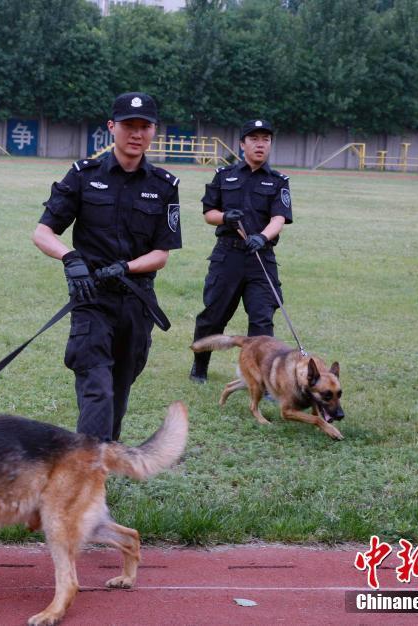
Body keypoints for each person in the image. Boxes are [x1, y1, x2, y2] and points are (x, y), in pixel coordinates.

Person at [33, 92, 181, 442]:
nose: (136, 133)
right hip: (92, 300)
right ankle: (88, 472)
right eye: (129, 125)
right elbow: (42, 233)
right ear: (112, 127)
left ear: (154, 131)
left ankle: (101, 457)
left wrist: (126, 268)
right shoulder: (84, 176)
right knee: (97, 386)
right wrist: (71, 259)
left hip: (136, 303)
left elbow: (161, 253)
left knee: (118, 390)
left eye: (144, 126)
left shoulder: (163, 185)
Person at [190, 119, 293, 383]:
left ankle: (264, 380)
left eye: (266, 139)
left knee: (262, 322)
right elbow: (208, 213)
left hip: (260, 259)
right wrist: (225, 217)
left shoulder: (278, 181)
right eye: (254, 139)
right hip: (227, 257)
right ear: (242, 144)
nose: (260, 144)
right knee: (213, 316)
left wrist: (262, 237)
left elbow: (279, 218)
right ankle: (199, 366)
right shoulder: (224, 176)